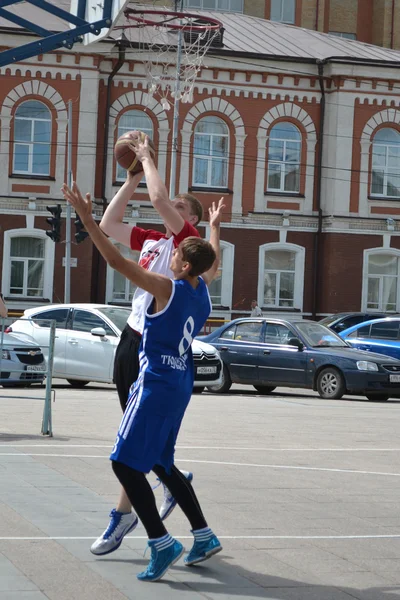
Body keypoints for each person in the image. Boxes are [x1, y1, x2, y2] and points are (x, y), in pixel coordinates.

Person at [62, 180, 224, 582]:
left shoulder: (167, 288)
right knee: (160, 461)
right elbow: (211, 260)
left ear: (184, 263)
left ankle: (160, 541)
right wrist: (216, 230)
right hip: (180, 380)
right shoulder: (201, 291)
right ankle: (202, 535)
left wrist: (86, 219)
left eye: (177, 256)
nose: (170, 259)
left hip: (154, 379)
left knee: (124, 461)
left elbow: (117, 264)